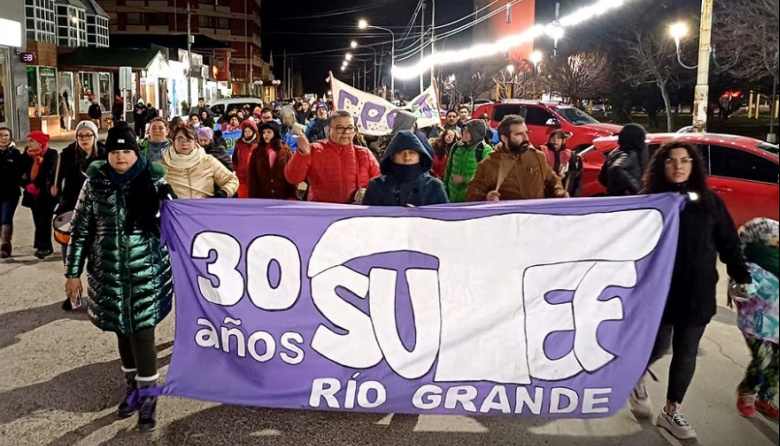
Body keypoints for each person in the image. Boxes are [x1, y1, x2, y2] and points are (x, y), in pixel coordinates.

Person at [629, 140, 752, 440]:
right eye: (671, 160)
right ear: (661, 165)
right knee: (658, 346)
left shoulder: (709, 202)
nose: (679, 165)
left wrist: (740, 275)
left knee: (686, 352)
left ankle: (672, 411)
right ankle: (633, 377)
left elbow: (728, 242)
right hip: (659, 292)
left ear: (694, 165)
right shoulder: (648, 202)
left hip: (697, 291)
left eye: (685, 160)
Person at [64, 122, 175, 431]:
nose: (121, 157)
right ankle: (133, 386)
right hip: (108, 271)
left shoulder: (153, 180)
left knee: (143, 331)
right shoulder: (94, 183)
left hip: (146, 271)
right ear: (108, 153)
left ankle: (149, 396)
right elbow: (81, 229)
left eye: (126, 150)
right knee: (122, 330)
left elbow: (176, 220)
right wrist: (72, 273)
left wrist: (168, 201)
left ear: (134, 152)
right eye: (116, 151)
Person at [732, 218, 778, 420]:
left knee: (776, 364)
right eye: (775, 236)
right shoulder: (752, 266)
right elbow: (743, 288)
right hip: (756, 324)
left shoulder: (776, 262)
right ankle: (747, 392)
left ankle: (765, 398)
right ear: (763, 240)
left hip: (776, 325)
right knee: (763, 360)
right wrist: (743, 288)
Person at [285, 110, 380, 204]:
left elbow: (379, 184)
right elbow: (292, 178)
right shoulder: (314, 150)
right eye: (340, 127)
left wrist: (367, 192)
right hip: (322, 213)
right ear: (329, 129)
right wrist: (302, 154)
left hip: (355, 214)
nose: (346, 132)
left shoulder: (364, 154)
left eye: (350, 128)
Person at [466, 115, 567, 202]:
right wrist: (486, 198)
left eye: (526, 133)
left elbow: (553, 180)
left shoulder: (537, 156)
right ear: (504, 138)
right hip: (507, 220)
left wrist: (559, 192)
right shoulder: (489, 164)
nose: (526, 138)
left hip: (535, 219)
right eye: (519, 134)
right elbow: (471, 193)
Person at [55, 121, 107, 264]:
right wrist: (55, 194)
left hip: (97, 204)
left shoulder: (105, 154)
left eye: (88, 135)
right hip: (71, 203)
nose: (84, 139)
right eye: (80, 136)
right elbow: (56, 179)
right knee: (69, 238)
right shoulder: (66, 155)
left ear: (95, 136)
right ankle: (70, 269)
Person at [364, 130, 448, 207]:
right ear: (392, 156)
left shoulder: (434, 187)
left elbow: (444, 219)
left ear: (420, 156)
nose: (407, 157)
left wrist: (420, 216)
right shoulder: (377, 186)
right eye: (400, 152)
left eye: (412, 153)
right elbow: (366, 220)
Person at [161, 126, 238, 199]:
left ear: (195, 142)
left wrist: (223, 193)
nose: (184, 143)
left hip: (204, 209)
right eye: (180, 139)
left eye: (189, 139)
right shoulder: (163, 164)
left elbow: (231, 180)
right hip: (174, 210)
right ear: (173, 141)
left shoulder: (207, 160)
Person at [20, 131, 59, 259]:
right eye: (28, 141)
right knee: (38, 220)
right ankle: (43, 246)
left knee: (45, 219)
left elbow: (49, 173)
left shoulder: (51, 154)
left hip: (47, 194)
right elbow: (19, 172)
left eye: (31, 141)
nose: (28, 144)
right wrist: (26, 184)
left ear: (40, 143)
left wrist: (37, 185)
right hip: (32, 194)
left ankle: (44, 247)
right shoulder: (26, 156)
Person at [443, 119, 493, 203]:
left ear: (475, 134)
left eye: (468, 132)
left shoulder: (485, 150)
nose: (464, 134)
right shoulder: (456, 146)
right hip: (452, 197)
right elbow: (448, 169)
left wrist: (465, 179)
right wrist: (444, 187)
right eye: (464, 131)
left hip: (472, 199)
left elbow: (489, 176)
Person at [247, 122, 296, 200]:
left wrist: (292, 195)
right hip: (262, 196)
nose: (266, 135)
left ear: (275, 133)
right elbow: (252, 175)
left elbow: (292, 174)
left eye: (269, 132)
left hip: (282, 196)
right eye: (264, 132)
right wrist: (252, 195)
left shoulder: (285, 151)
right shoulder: (256, 152)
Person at [599, 123, 648, 196]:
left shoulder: (614, 152)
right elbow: (617, 168)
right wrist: (636, 188)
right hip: (626, 198)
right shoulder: (629, 154)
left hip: (615, 196)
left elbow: (602, 178)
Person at [0, 127, 22, 258]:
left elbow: (19, 172)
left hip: (11, 192)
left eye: (6, 135)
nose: (3, 138)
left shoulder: (15, 154)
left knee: (6, 218)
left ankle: (5, 244)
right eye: (1, 135)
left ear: (10, 137)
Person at [541, 130, 583, 197]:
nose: (555, 140)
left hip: (563, 186)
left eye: (559, 138)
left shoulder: (569, 154)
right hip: (545, 186)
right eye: (553, 138)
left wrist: (565, 175)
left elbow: (575, 172)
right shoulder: (542, 151)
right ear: (549, 139)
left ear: (563, 140)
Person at [232, 120, 260, 198]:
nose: (247, 133)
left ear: (254, 132)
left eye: (249, 131)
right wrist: (235, 169)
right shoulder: (239, 144)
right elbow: (234, 159)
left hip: (256, 179)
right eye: (245, 131)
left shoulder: (258, 144)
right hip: (241, 178)